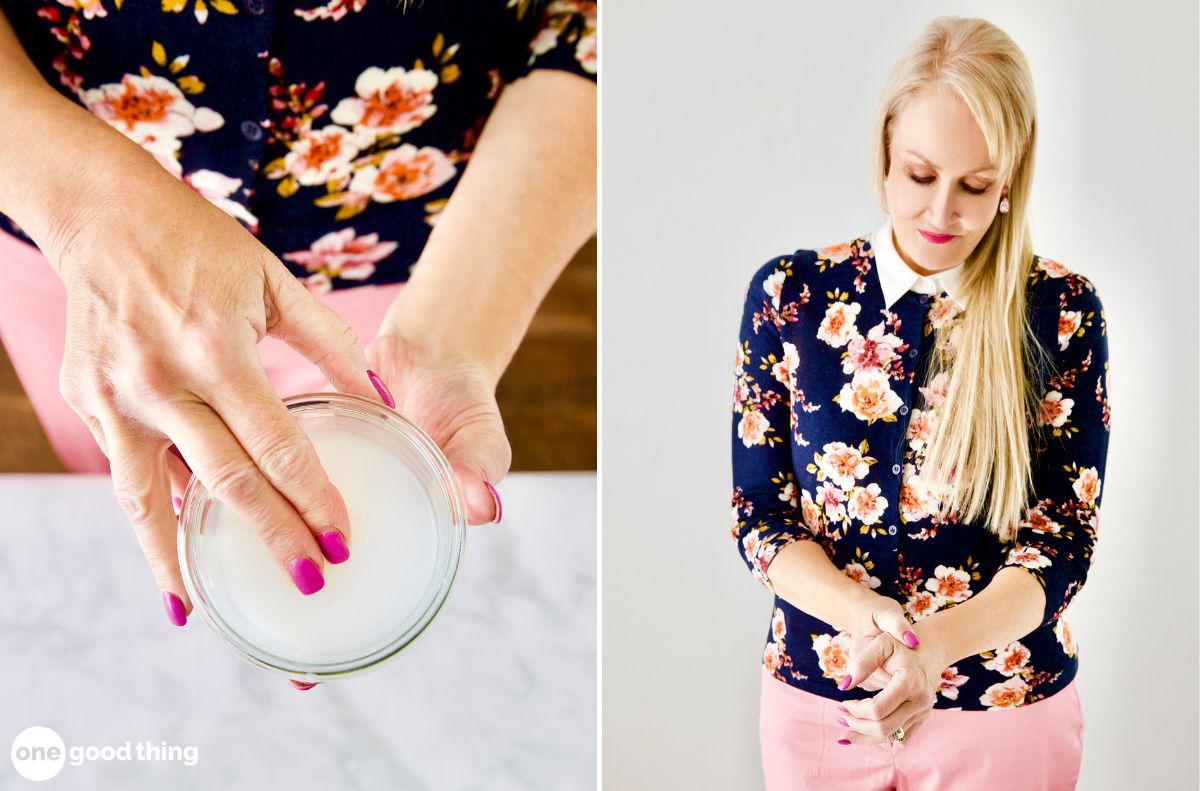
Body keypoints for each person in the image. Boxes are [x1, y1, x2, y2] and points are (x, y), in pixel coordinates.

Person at [0, 0, 597, 677]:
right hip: (76, 251)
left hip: (410, 255)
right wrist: (86, 211)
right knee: (141, 477)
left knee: (330, 458)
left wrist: (443, 336)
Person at [731, 16, 1109, 789]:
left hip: (1006, 715)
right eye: (919, 174)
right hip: (822, 701)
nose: (941, 213)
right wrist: (868, 620)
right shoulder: (790, 297)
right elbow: (760, 516)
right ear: (885, 150)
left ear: (1011, 178)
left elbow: (1062, 538)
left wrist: (934, 646)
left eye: (974, 186)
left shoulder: (1062, 311)